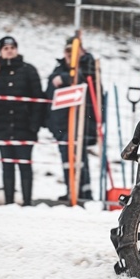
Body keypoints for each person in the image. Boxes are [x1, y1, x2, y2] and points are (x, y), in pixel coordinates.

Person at [0, 36, 45, 206]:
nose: (9, 50)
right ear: (1, 51)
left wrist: (34, 125)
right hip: (2, 127)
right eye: (5, 48)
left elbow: (39, 100)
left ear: (17, 49)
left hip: (24, 128)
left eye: (12, 47)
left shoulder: (29, 70)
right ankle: (9, 203)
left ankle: (27, 202)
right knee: (7, 166)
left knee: (24, 166)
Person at [45, 37, 98, 201]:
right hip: (62, 123)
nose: (70, 55)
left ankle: (85, 193)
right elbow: (49, 95)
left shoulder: (89, 65)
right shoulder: (59, 68)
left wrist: (66, 79)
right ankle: (71, 191)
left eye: (74, 51)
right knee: (67, 160)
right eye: (68, 52)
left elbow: (86, 80)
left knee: (80, 159)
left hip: (82, 122)